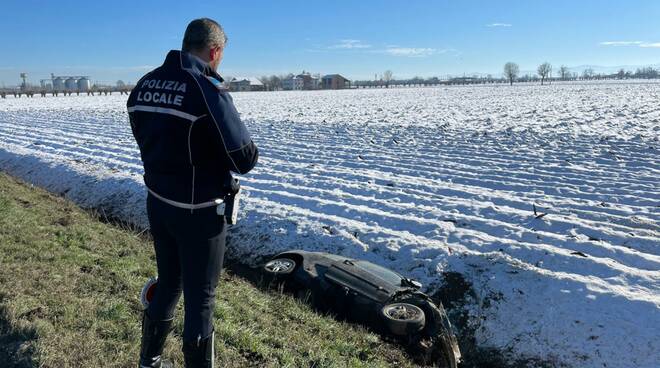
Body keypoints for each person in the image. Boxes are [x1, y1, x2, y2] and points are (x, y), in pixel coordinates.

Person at [127, 18, 258, 368]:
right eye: (221, 55)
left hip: (158, 202)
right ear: (214, 51)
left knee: (169, 282)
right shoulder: (205, 88)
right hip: (200, 213)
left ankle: (149, 361)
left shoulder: (144, 84)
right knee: (201, 299)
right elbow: (244, 158)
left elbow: (144, 135)